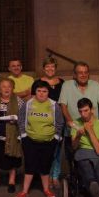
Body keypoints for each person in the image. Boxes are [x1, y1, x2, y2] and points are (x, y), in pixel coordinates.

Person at [15, 81, 64, 197]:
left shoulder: (54, 105)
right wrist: (24, 135)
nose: (41, 94)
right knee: (29, 165)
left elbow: (60, 122)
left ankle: (46, 190)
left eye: (44, 91)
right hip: (30, 141)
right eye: (39, 91)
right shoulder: (28, 104)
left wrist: (56, 138)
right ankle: (24, 191)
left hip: (49, 141)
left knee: (45, 165)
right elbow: (21, 119)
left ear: (48, 92)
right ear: (35, 92)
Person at [31, 57, 64, 187]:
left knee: (57, 149)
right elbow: (33, 102)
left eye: (52, 66)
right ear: (43, 68)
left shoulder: (62, 83)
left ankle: (55, 176)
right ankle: (46, 175)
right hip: (42, 120)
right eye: (47, 66)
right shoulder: (37, 83)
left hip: (58, 119)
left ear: (56, 68)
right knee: (45, 150)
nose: (50, 69)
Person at [59, 62, 99, 137]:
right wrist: (70, 122)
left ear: (88, 74)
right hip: (73, 130)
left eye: (86, 72)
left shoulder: (95, 85)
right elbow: (63, 105)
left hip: (93, 130)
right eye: (80, 73)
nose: (83, 75)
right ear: (74, 74)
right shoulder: (67, 85)